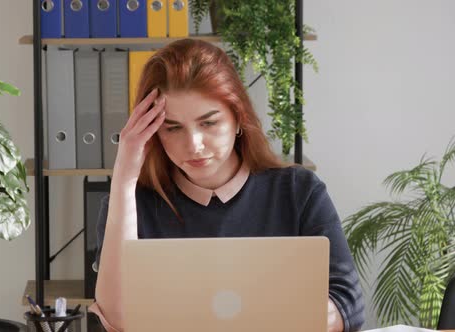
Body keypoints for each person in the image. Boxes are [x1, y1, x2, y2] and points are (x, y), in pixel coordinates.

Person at [89, 38, 365, 332]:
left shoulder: (298, 191)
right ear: (152, 132)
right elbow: (115, 319)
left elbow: (348, 303)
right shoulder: (132, 204)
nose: (194, 145)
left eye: (208, 123)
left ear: (238, 118)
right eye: (173, 128)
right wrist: (124, 178)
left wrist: (280, 317)